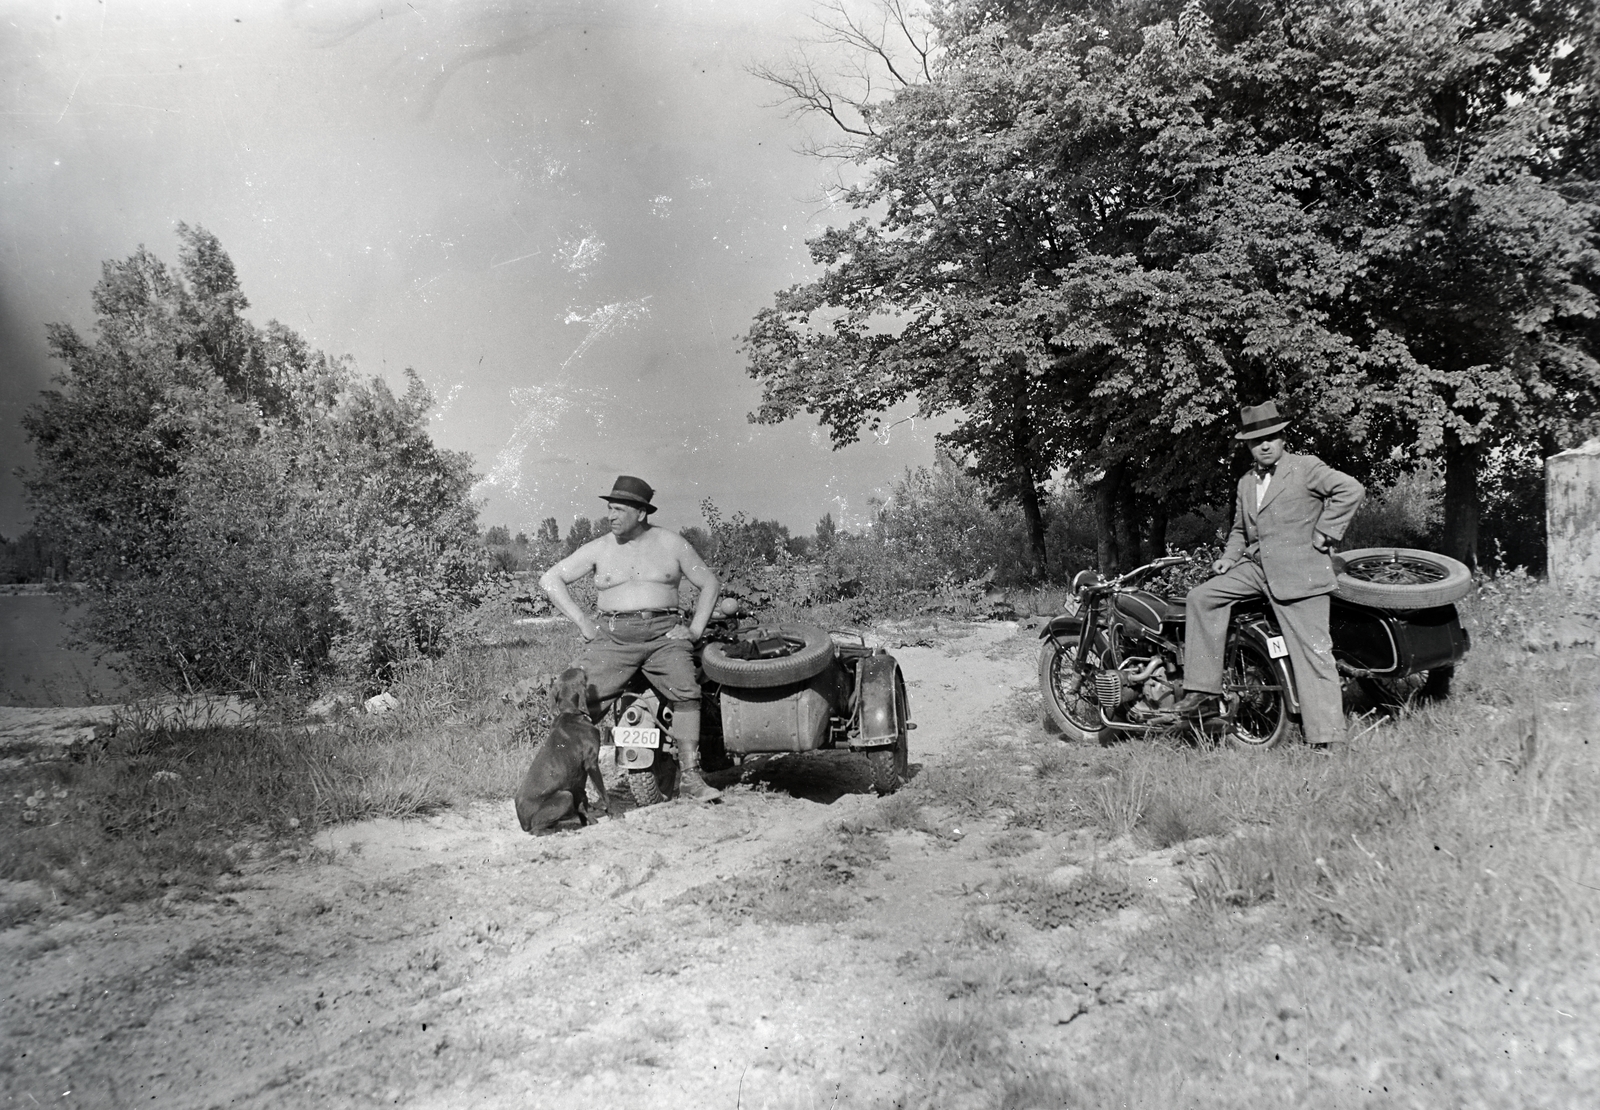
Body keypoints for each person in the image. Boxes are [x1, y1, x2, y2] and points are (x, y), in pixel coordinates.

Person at [1173, 401, 1365, 749]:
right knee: (1201, 598)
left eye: (1271, 437)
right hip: (1256, 568)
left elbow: (1350, 489)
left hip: (1301, 575)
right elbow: (1238, 530)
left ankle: (1329, 741)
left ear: (1282, 437)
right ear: (1247, 445)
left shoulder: (1305, 468)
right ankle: (1203, 692)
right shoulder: (1247, 483)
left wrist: (1325, 532)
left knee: (1314, 655)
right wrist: (1228, 558)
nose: (1264, 445)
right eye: (1256, 440)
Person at [539, 476, 723, 800]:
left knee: (687, 690)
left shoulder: (672, 544)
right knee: (577, 705)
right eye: (609, 508)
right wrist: (582, 620)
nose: (611, 515)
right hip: (613, 640)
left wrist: (693, 631)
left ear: (640, 513)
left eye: (619, 509)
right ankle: (566, 785)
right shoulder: (599, 548)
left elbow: (709, 583)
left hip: (663, 636)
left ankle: (692, 777)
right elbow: (550, 578)